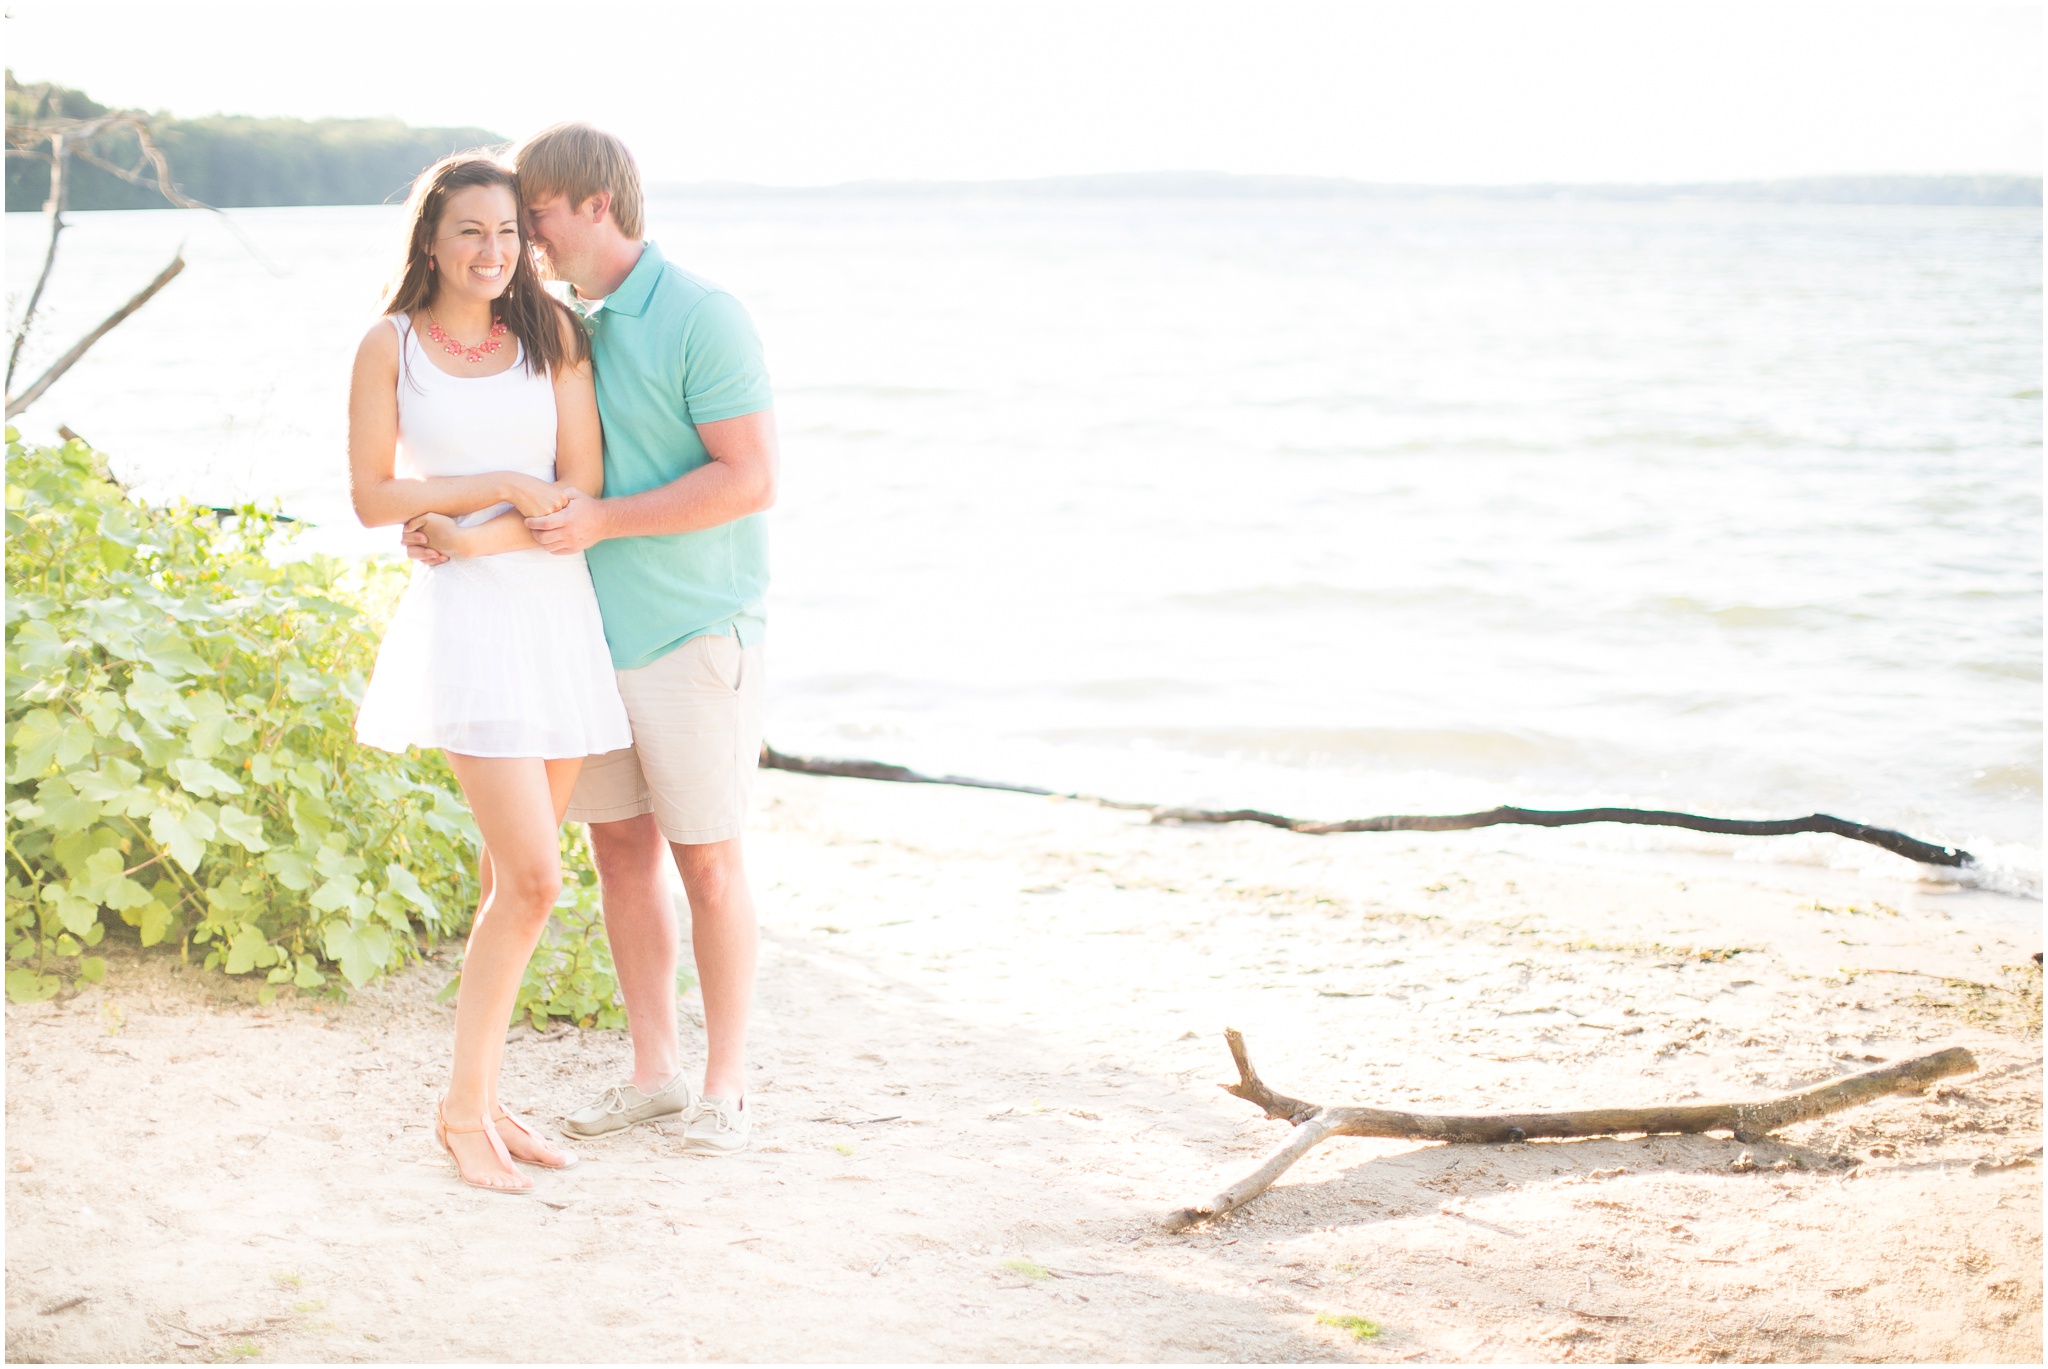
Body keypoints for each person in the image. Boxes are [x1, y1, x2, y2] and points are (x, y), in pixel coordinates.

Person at [411, 123, 778, 1154]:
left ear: (591, 207)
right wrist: (460, 532)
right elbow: (527, 461)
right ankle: (655, 1073)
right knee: (622, 854)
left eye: (532, 217)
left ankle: (725, 1085)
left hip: (693, 631)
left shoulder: (702, 315)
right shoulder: (562, 323)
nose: (519, 241)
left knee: (708, 861)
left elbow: (749, 480)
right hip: (586, 640)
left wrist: (606, 521)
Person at [351, 153, 629, 1193]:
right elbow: (375, 495)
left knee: (502, 884)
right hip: (465, 630)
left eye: (508, 231)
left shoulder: (550, 333)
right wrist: (494, 486)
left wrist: (476, 532)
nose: (494, 250)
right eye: (471, 230)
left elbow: (584, 485)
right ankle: (461, 1112)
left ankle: (484, 1093)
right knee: (535, 880)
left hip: (551, 616)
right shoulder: (389, 346)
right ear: (431, 239)